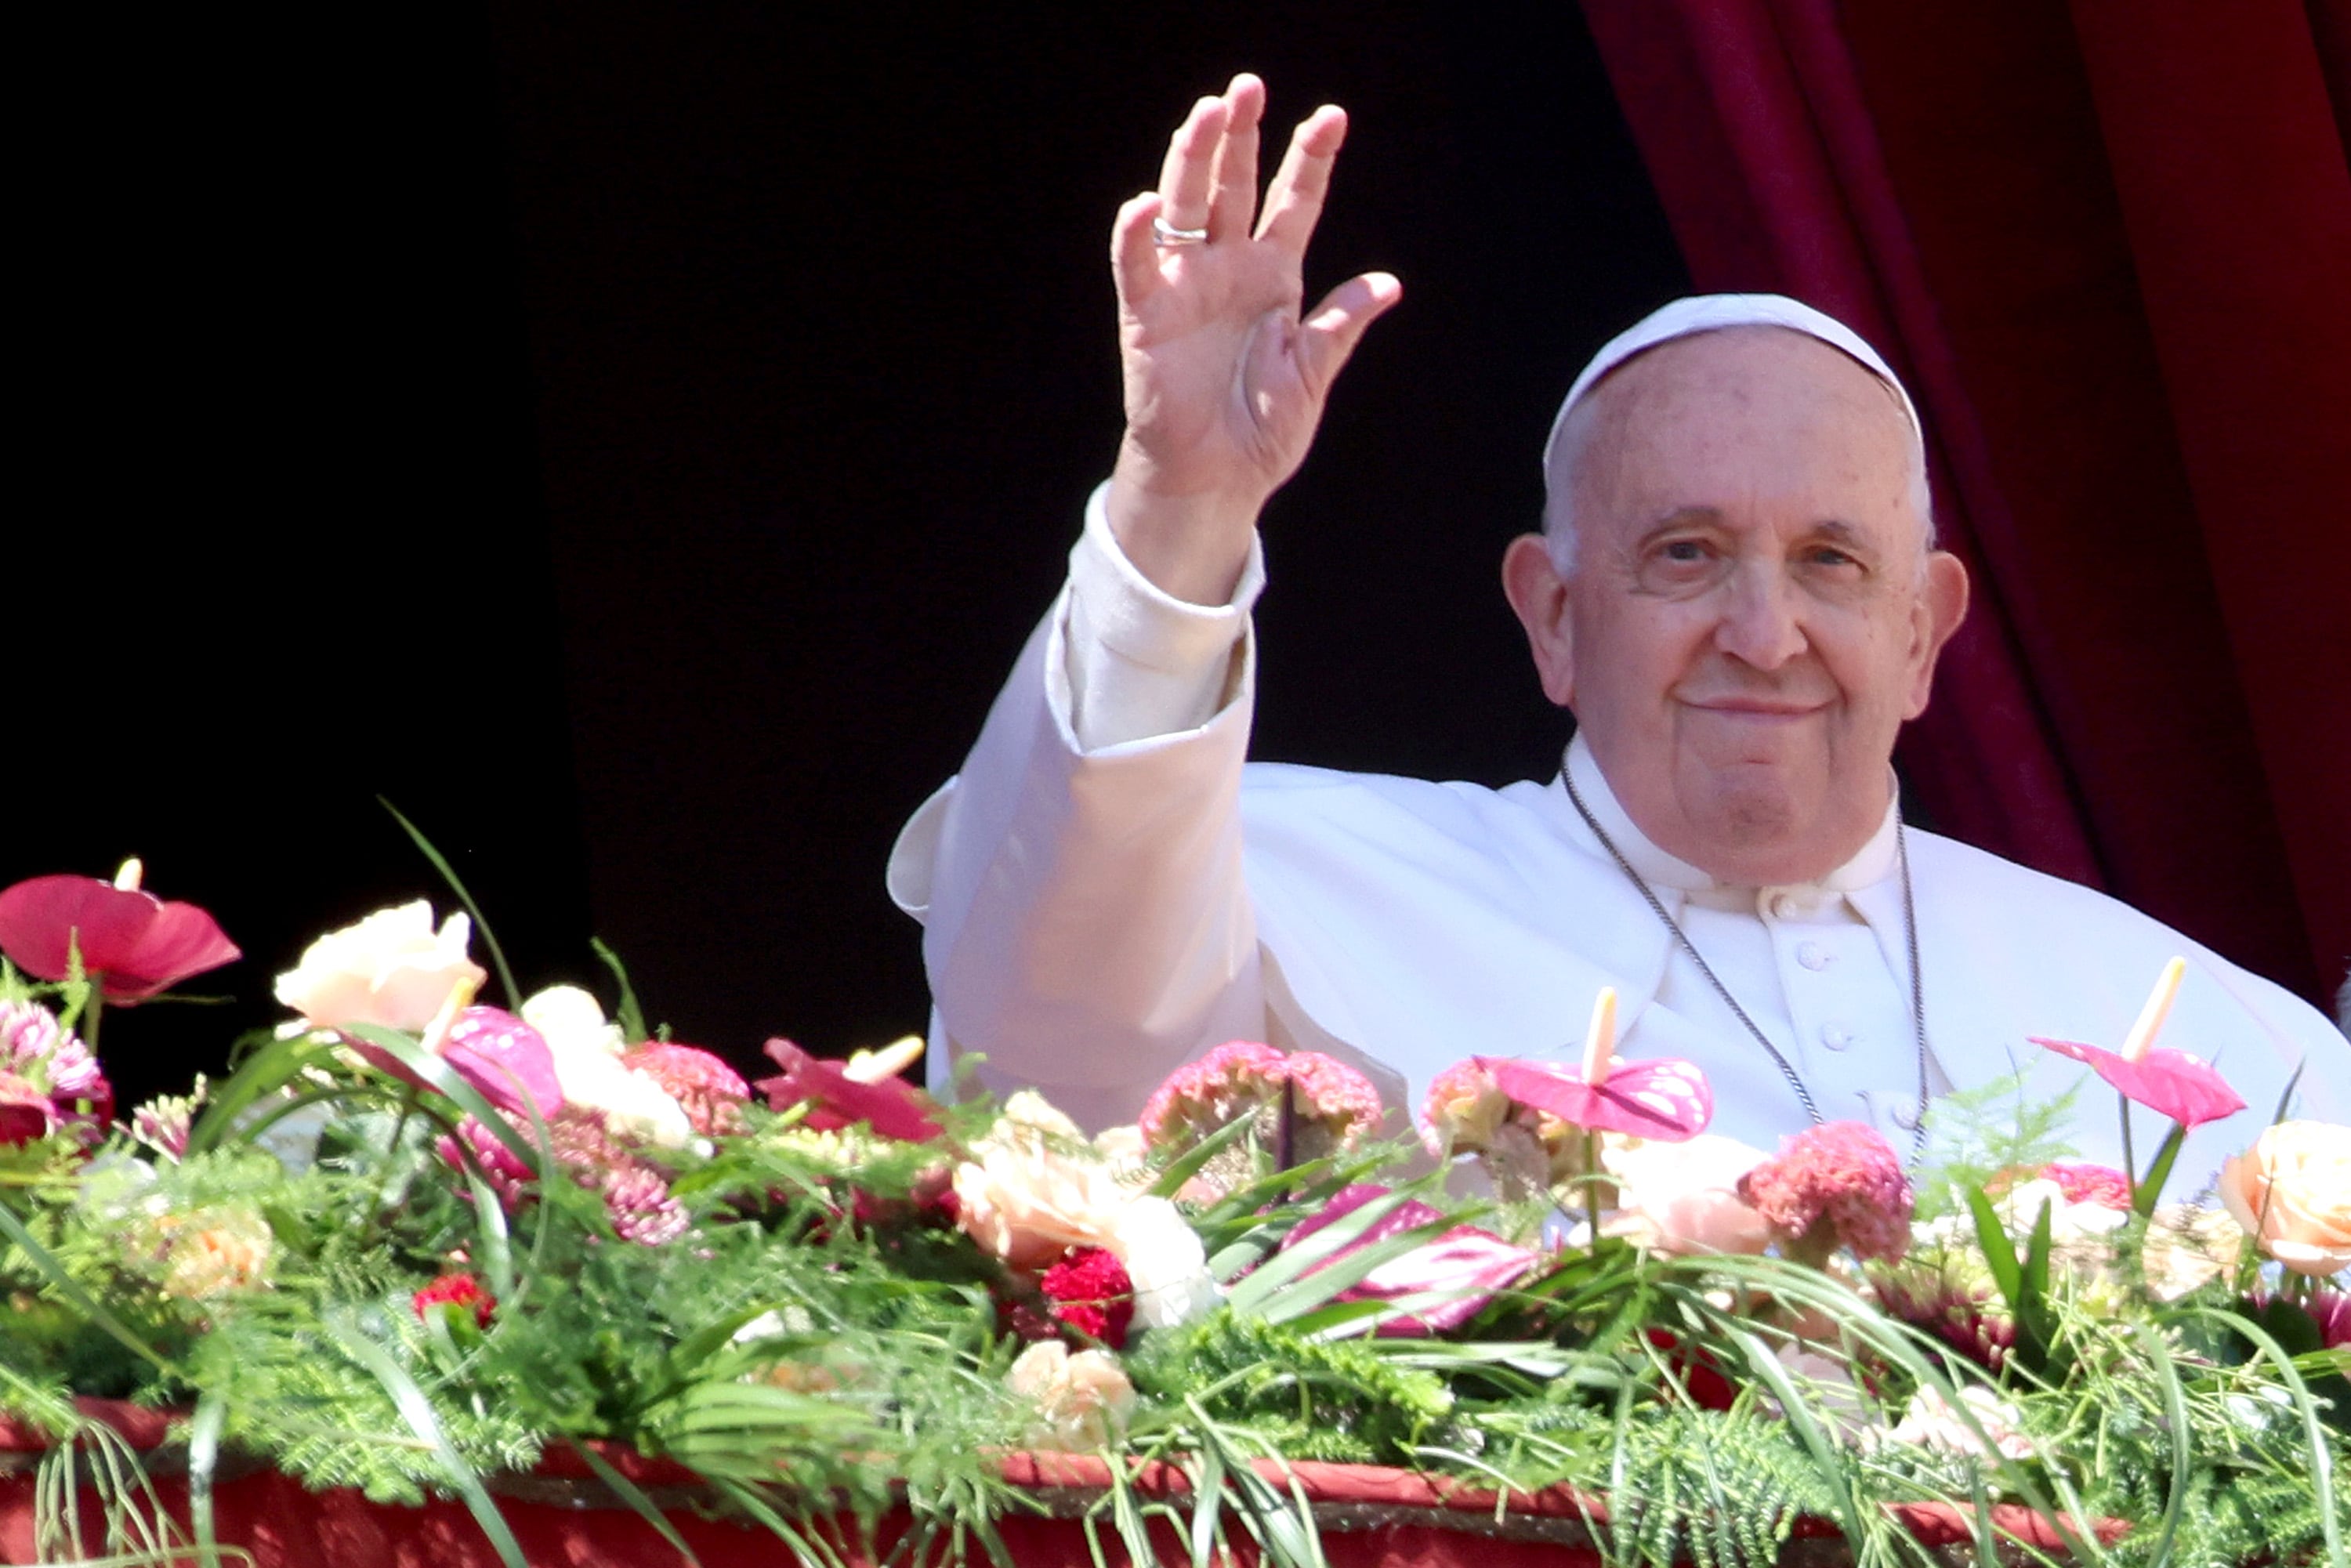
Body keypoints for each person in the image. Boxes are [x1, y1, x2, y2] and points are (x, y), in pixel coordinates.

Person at [886, 75, 2346, 1179]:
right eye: (1687, 554)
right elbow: (1059, 1048)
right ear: (1555, 618)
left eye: (1832, 561)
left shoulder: (2212, 1037)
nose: (1763, 632)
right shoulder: (1284, 890)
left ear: (1924, 631)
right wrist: (1179, 503)